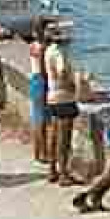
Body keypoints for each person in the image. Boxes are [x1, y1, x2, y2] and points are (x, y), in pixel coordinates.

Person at [43, 31, 82, 185]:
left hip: (52, 95)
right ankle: (64, 173)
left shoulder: (49, 51)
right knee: (64, 138)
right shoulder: (61, 53)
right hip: (64, 97)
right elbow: (62, 72)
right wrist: (73, 86)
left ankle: (52, 169)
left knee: (53, 134)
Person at [27, 18, 52, 165]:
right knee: (42, 120)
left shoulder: (32, 46)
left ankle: (37, 151)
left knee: (37, 118)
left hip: (34, 80)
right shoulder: (42, 47)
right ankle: (43, 152)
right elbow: (44, 69)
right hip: (41, 81)